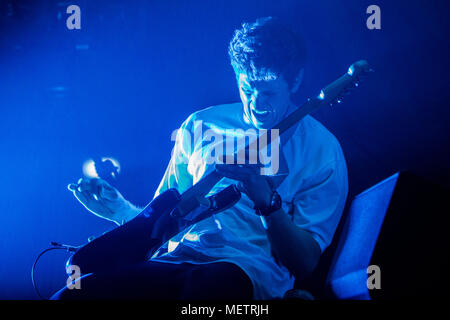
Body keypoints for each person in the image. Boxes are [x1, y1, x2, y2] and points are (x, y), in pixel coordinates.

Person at [53, 16, 348, 300]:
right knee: (71, 294)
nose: (256, 104)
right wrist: (120, 209)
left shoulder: (323, 151)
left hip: (244, 273)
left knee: (206, 292)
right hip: (176, 262)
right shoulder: (200, 124)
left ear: (295, 81)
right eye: (247, 89)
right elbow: (163, 225)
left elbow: (305, 263)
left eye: (268, 92)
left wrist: (267, 204)